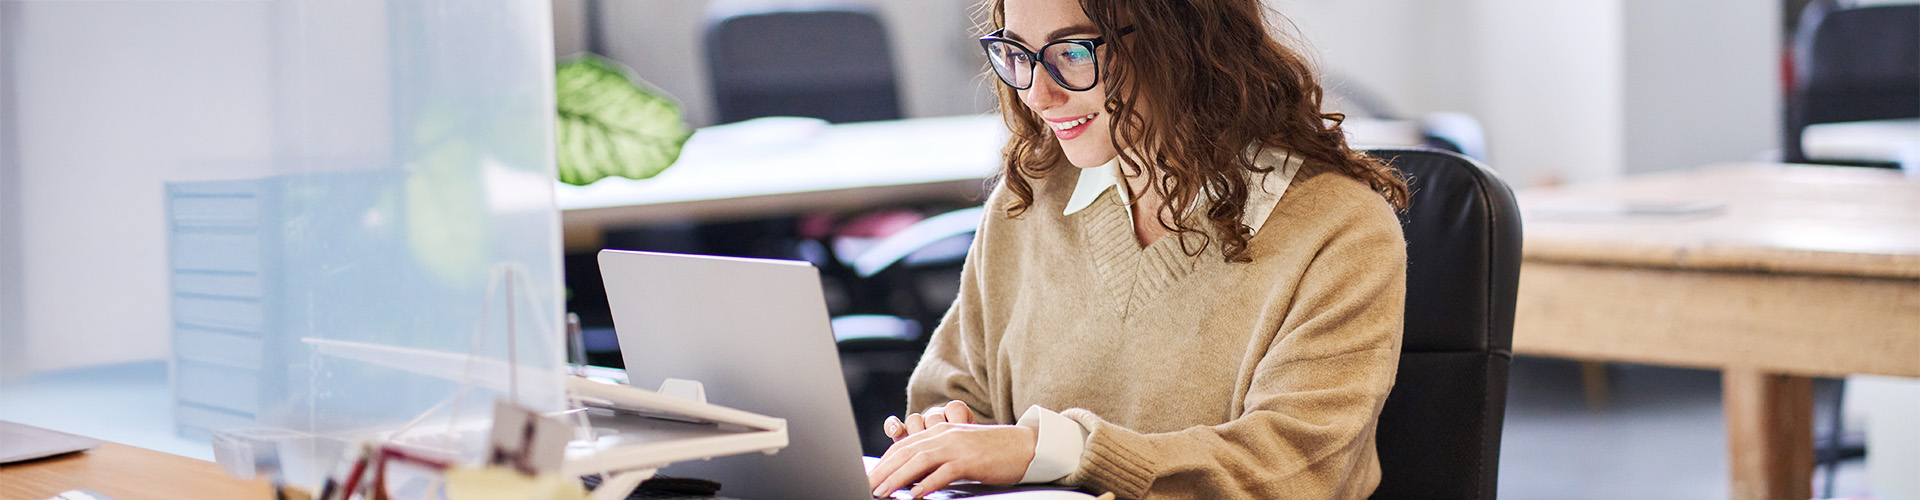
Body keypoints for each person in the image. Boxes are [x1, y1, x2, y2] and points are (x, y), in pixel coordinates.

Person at [863, 0, 1411, 498]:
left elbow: (1293, 471)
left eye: (1073, 52)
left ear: (1187, 40)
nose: (1036, 94)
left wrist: (1047, 448)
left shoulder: (1341, 230)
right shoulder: (1032, 193)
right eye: (1017, 53)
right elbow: (950, 391)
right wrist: (945, 431)